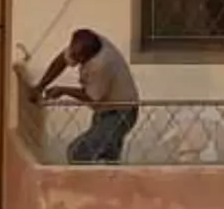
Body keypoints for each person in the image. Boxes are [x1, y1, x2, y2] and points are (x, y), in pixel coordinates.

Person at [28, 28, 140, 164]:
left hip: (121, 113)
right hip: (104, 111)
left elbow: (92, 97)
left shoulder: (101, 64)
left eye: (77, 57)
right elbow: (61, 61)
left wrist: (63, 90)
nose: (73, 60)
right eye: (72, 53)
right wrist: (40, 86)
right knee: (105, 159)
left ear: (88, 55)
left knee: (79, 153)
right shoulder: (84, 45)